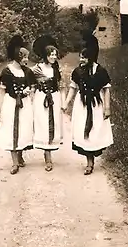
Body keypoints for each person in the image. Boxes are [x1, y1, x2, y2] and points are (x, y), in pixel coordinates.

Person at [61, 31, 113, 175]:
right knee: (84, 131)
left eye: (83, 58)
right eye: (80, 57)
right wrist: (66, 103)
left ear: (90, 58)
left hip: (97, 105)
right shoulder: (78, 72)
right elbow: (73, 88)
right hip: (82, 105)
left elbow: (106, 90)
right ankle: (89, 162)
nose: (81, 60)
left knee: (95, 130)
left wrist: (107, 108)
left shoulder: (101, 71)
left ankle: (93, 157)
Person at [0, 35, 36, 174]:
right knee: (12, 130)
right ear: (18, 57)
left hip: (24, 105)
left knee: (23, 130)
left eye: (27, 57)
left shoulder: (27, 71)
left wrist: (29, 91)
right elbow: (1, 92)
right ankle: (14, 163)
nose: (26, 60)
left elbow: (32, 88)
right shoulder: (7, 71)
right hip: (11, 104)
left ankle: (20, 155)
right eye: (24, 57)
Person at [31, 35, 65, 171]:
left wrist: (63, 102)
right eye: (51, 55)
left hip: (54, 98)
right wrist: (30, 96)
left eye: (55, 55)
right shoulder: (36, 69)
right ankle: (47, 158)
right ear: (46, 55)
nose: (54, 57)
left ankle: (49, 151)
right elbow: (31, 84)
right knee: (43, 124)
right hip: (41, 98)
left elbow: (61, 86)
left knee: (54, 123)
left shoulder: (56, 69)